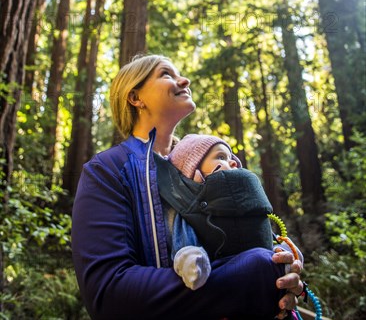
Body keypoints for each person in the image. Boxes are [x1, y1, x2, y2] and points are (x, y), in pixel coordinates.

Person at [72, 54, 303, 320]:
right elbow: (107, 293)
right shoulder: (107, 170)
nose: (185, 80)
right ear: (136, 98)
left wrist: (284, 274)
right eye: (166, 74)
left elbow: (246, 245)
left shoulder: (203, 163)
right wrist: (249, 275)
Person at [164, 134, 303, 298]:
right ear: (193, 172)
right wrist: (191, 258)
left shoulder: (250, 200)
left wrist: (284, 252)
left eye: (231, 158)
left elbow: (265, 237)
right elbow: (183, 236)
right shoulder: (188, 213)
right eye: (221, 157)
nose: (233, 162)